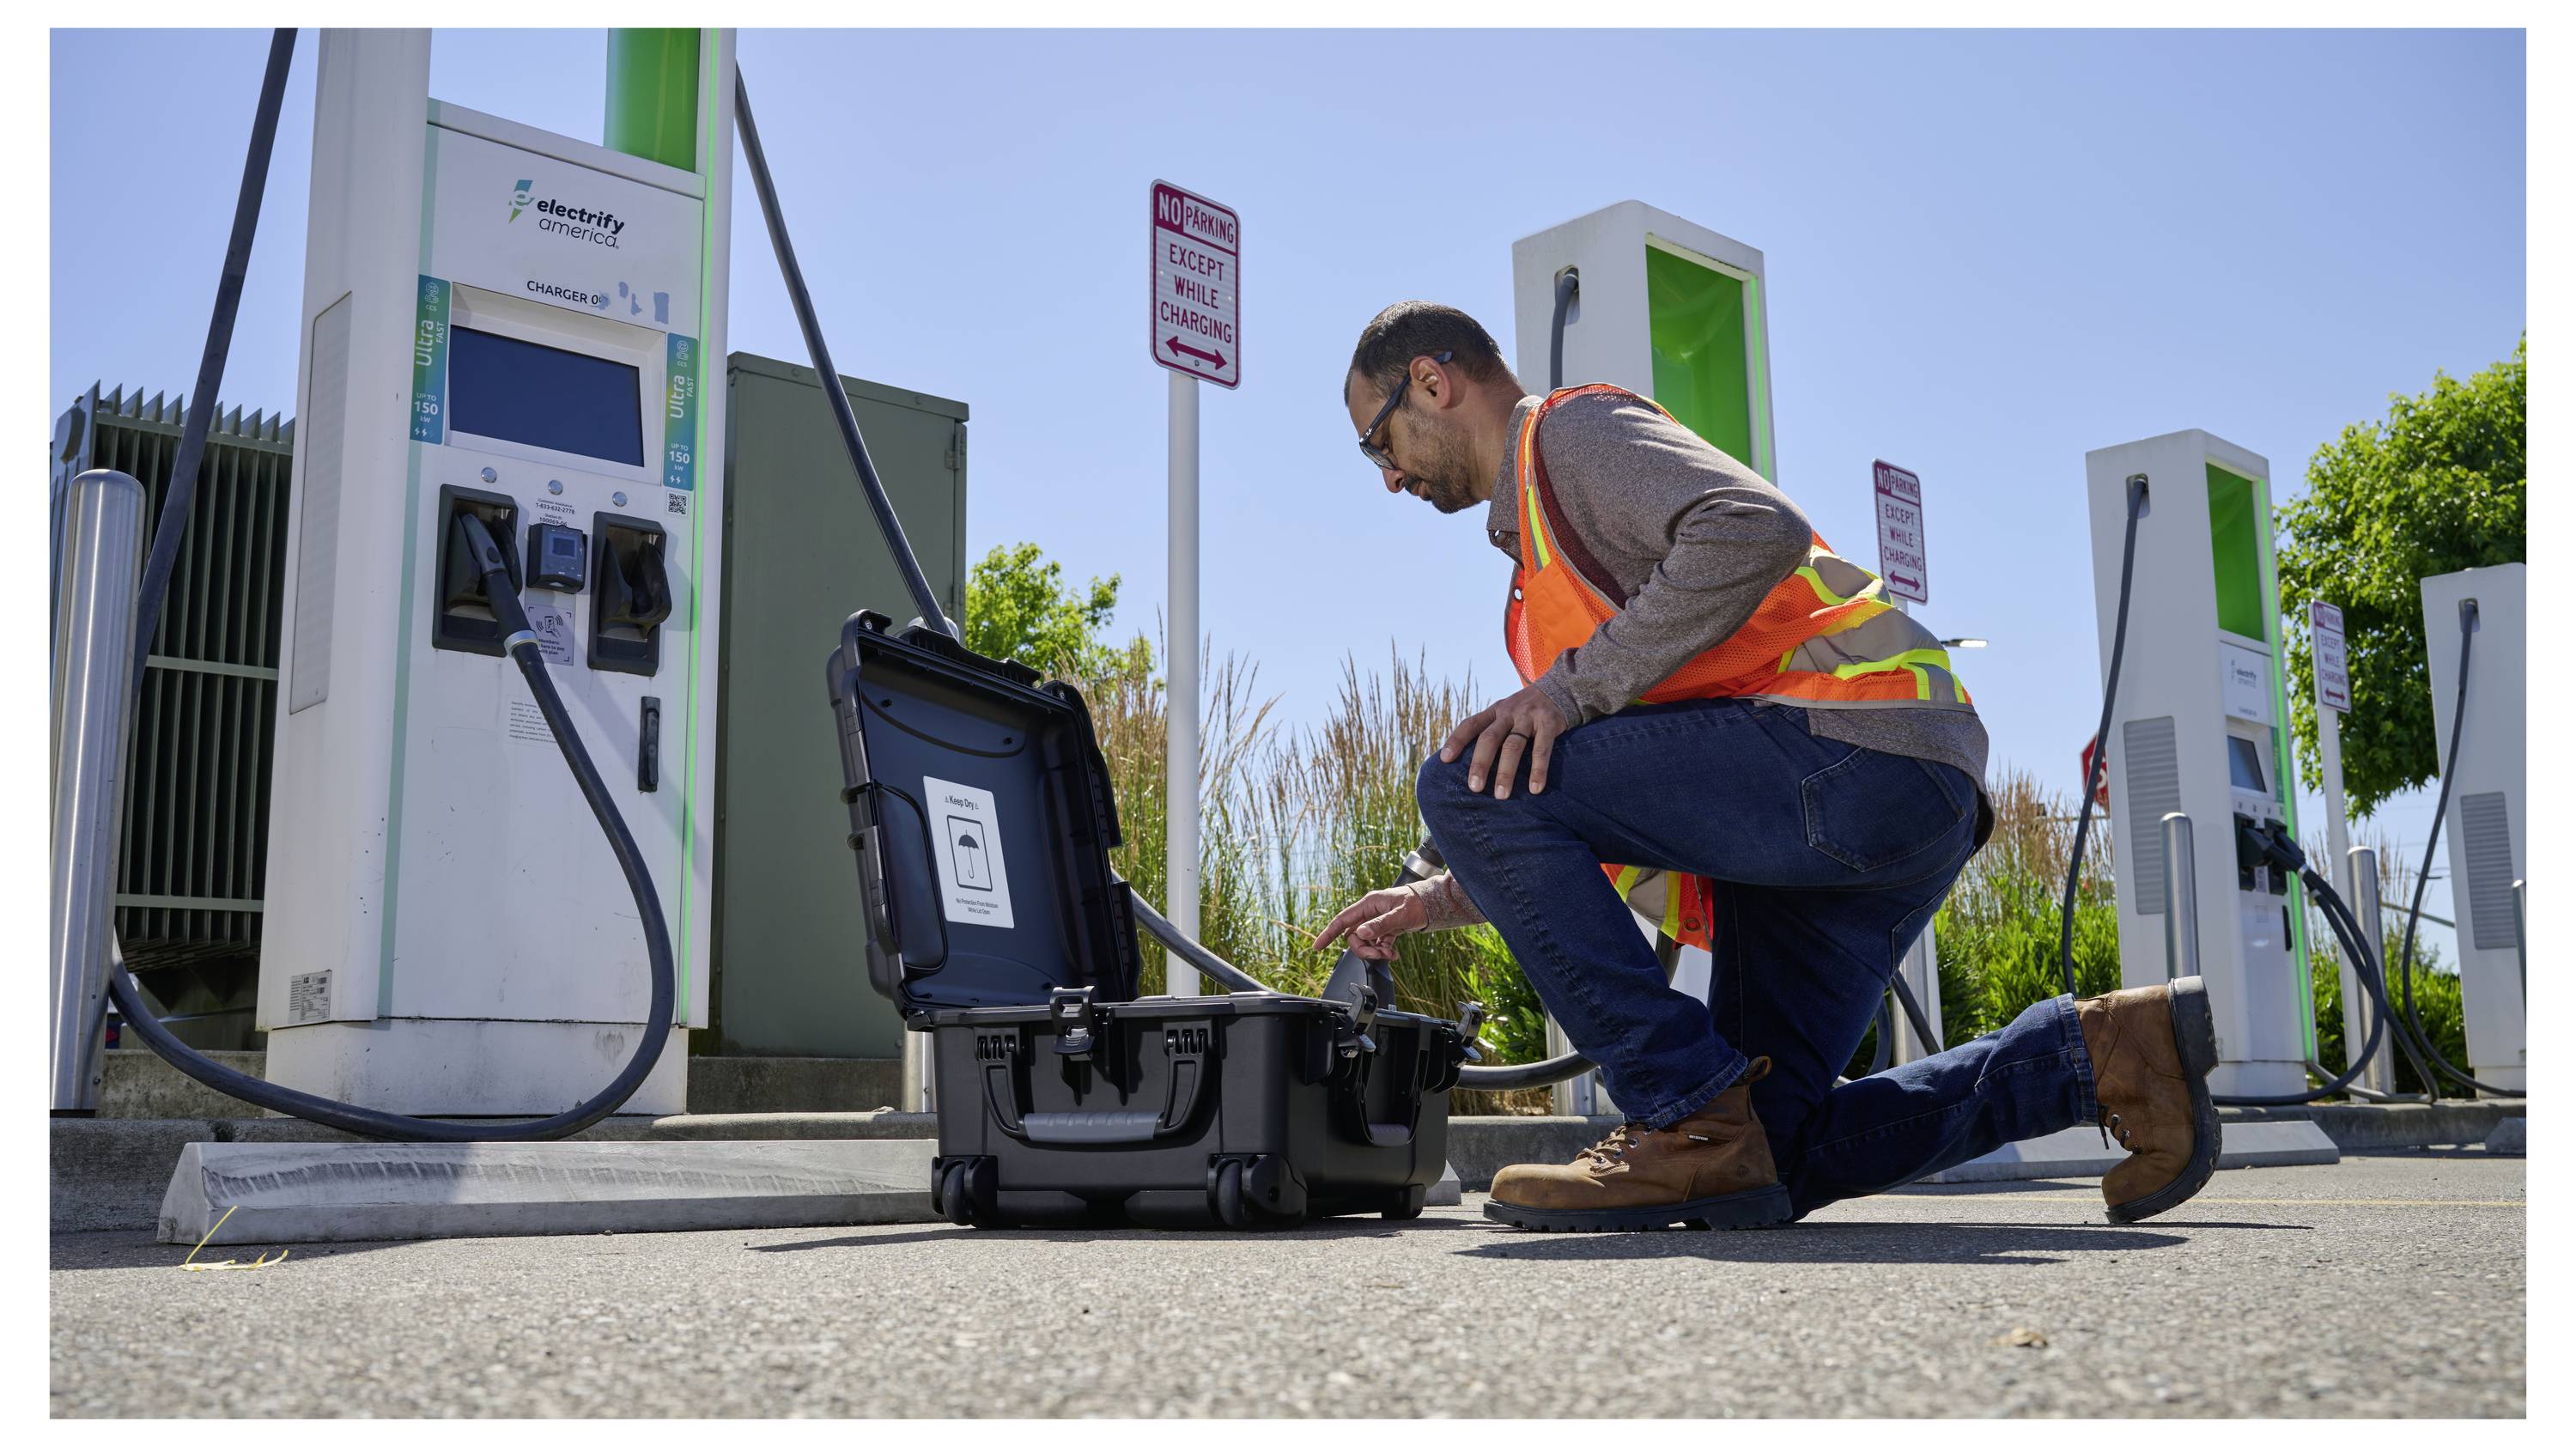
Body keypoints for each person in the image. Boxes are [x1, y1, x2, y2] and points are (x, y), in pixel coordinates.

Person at [1313, 301, 2219, 1232]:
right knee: (1761, 1156)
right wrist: (1440, 897)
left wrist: (1568, 692)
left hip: (1852, 754)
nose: (1388, 478)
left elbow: (1756, 526)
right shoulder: (1538, 569)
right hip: (1855, 808)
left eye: (1378, 443)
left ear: (1432, 381)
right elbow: (1580, 818)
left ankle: (1678, 1112)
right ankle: (2100, 1055)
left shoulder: (1567, 435)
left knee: (1463, 777)